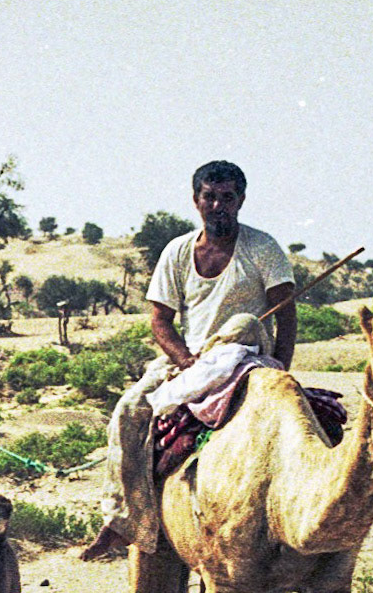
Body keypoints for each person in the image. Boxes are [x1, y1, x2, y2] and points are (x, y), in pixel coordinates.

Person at [80, 161, 294, 559]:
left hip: (248, 358)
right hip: (190, 362)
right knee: (129, 410)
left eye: (227, 198)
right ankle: (122, 520)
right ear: (196, 201)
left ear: (241, 201)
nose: (218, 206)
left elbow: (286, 315)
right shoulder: (178, 252)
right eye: (209, 197)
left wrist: (282, 370)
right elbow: (159, 320)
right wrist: (187, 360)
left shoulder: (263, 249)